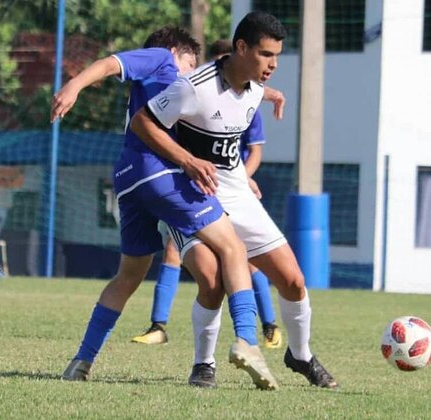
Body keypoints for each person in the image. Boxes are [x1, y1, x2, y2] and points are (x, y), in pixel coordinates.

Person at [51, 26, 278, 390]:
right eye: (189, 63)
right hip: (161, 173)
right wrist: (74, 85)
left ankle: (81, 360)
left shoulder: (176, 86)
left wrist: (266, 93)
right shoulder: (160, 59)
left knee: (130, 274)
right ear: (176, 52)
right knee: (232, 247)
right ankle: (248, 341)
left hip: (128, 178)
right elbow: (111, 64)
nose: (191, 71)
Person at [131, 11, 338, 389]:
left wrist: (244, 174)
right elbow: (142, 122)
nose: (273, 64)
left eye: (277, 56)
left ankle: (301, 355)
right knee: (211, 281)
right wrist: (187, 160)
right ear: (240, 48)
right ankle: (203, 364)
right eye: (265, 55)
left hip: (238, 196)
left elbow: (244, 116)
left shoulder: (254, 89)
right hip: (190, 196)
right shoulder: (195, 87)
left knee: (293, 281)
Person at [131, 39, 282, 350]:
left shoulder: (248, 99)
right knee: (175, 251)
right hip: (194, 187)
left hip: (231, 187)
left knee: (248, 260)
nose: (217, 75)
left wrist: (243, 178)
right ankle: (159, 325)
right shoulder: (194, 92)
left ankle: (268, 326)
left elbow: (255, 151)